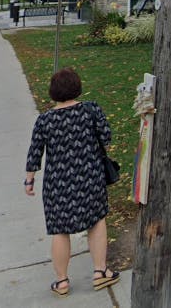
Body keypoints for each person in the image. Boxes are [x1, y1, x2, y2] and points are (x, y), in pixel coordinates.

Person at [25, 68, 120, 297]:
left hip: (57, 183)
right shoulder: (91, 110)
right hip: (90, 177)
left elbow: (35, 152)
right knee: (97, 222)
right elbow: (106, 137)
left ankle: (62, 281)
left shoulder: (44, 120)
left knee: (60, 231)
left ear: (53, 92)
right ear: (77, 87)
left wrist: (29, 179)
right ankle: (100, 272)